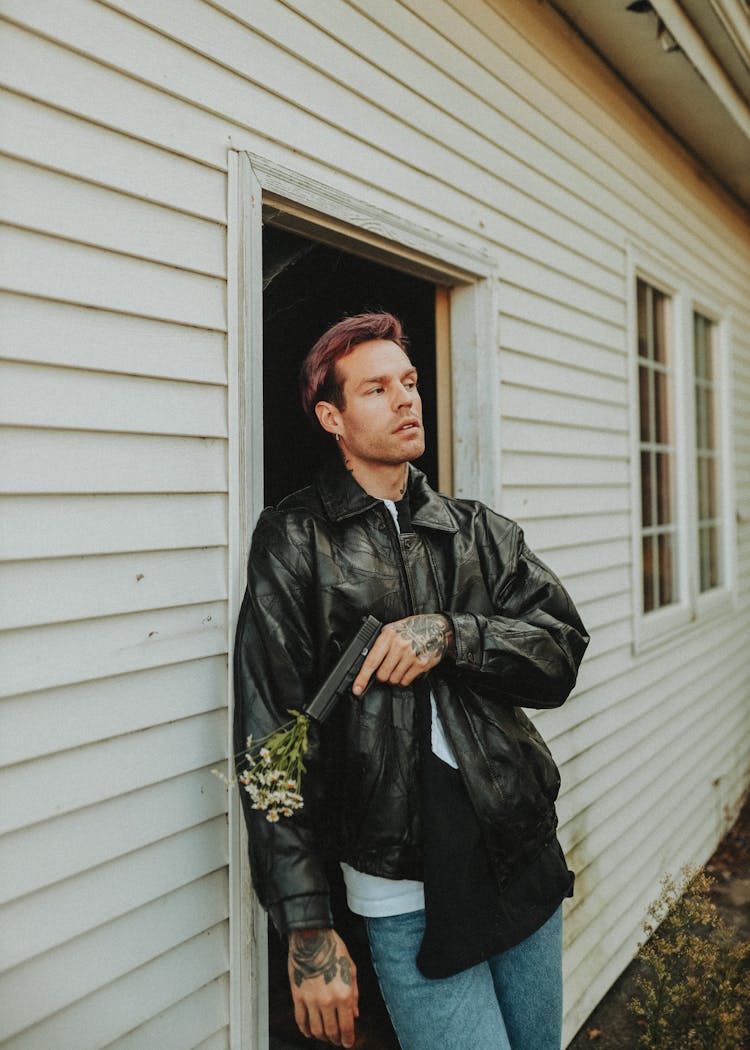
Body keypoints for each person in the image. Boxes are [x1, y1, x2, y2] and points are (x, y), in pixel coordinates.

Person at [234, 312, 589, 1050]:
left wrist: (454, 634)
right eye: (376, 389)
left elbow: (560, 653)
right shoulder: (295, 539)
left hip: (516, 849)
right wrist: (307, 925)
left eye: (411, 381)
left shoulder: (479, 532)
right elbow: (272, 736)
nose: (405, 400)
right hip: (400, 883)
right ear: (332, 416)